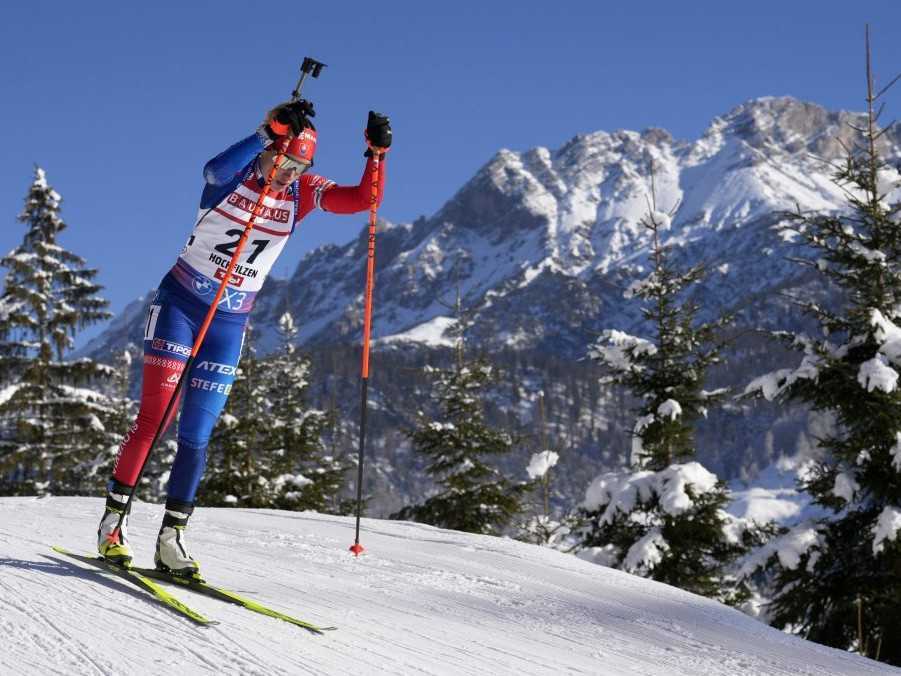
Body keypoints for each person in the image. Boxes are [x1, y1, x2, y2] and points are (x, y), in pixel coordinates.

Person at [96, 101, 391, 577]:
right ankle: (113, 525)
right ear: (268, 153)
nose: (288, 174)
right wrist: (266, 131)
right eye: (282, 162)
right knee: (156, 418)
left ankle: (172, 538)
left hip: (229, 323)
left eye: (298, 167)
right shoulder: (235, 179)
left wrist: (375, 155)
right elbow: (212, 169)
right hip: (181, 306)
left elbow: (362, 200)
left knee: (198, 434)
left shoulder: (301, 194)